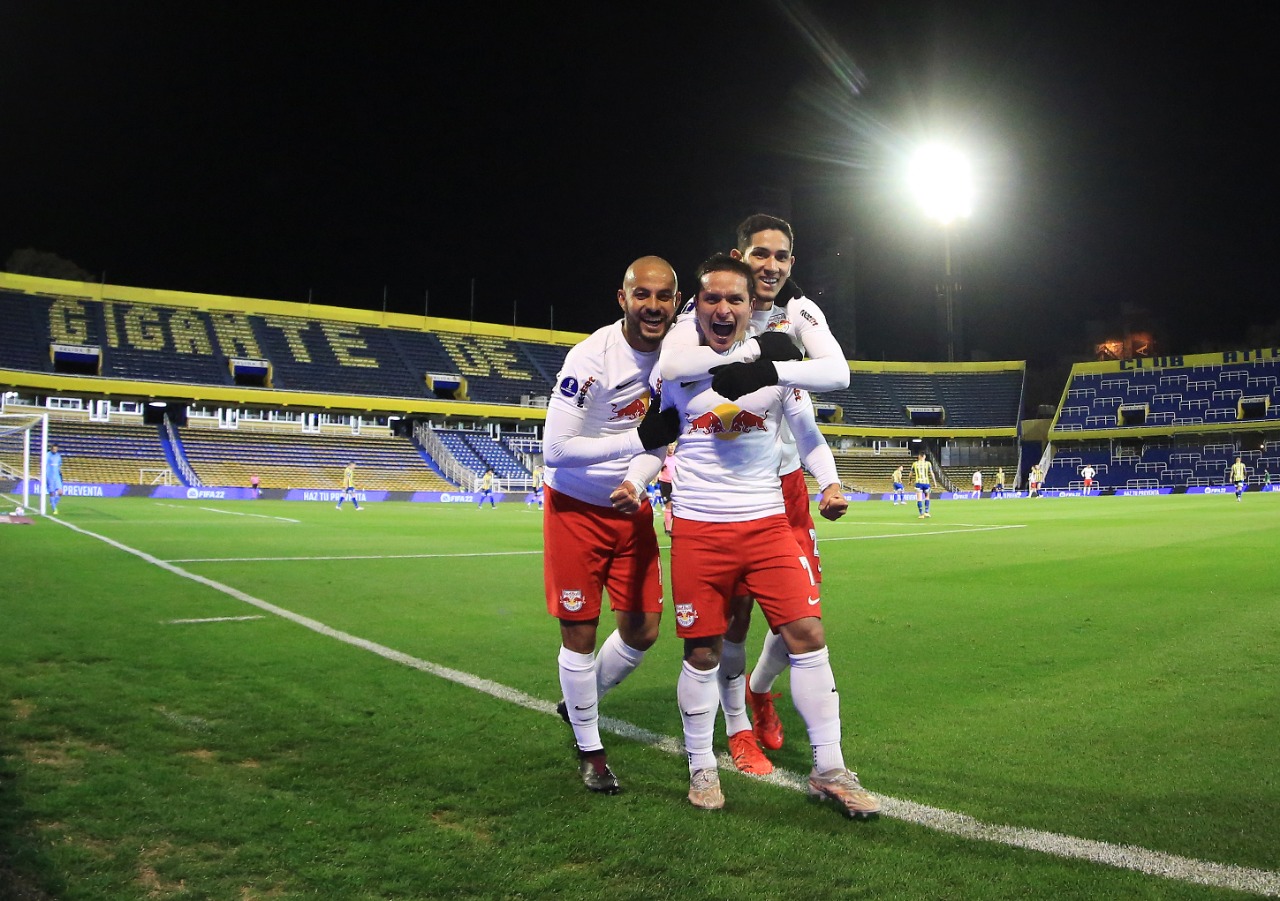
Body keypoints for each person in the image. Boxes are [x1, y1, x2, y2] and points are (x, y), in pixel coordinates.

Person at [659, 254, 877, 817]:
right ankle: (702, 767)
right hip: (701, 531)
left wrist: (829, 484)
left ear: (752, 306)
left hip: (766, 526)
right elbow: (655, 438)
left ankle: (829, 768)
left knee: (807, 634)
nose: (724, 308)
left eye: (736, 300)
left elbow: (810, 436)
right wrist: (644, 486)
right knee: (703, 649)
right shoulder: (678, 368)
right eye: (713, 299)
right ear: (697, 307)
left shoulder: (781, 372)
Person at [542, 255, 681, 794]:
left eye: (663, 296)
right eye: (641, 295)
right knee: (579, 632)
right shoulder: (590, 359)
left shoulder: (676, 358)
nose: (652, 306)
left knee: (643, 630)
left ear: (674, 301)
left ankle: (579, 703)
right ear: (622, 298)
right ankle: (590, 747)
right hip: (575, 508)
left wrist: (639, 477)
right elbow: (554, 449)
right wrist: (636, 445)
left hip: (630, 509)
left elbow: (666, 434)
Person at [657, 443, 677, 536]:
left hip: (675, 483)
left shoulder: (677, 457)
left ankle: (669, 522)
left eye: (673, 445)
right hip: (665, 483)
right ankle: (668, 529)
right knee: (669, 505)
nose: (672, 447)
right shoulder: (663, 458)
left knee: (676, 506)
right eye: (670, 445)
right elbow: (656, 468)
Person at [912, 451, 934, 518]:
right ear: (924, 456)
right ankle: (926, 512)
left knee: (919, 498)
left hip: (918, 483)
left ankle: (921, 514)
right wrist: (934, 482)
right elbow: (931, 473)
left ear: (919, 456)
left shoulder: (914, 464)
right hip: (926, 483)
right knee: (927, 497)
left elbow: (910, 474)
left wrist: (909, 481)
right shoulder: (928, 463)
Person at [45, 443, 64, 515]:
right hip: (49, 476)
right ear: (51, 449)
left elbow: (59, 466)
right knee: (52, 493)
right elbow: (44, 465)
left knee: (60, 492)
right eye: (54, 449)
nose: (55, 450)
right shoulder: (47, 455)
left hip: (57, 476)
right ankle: (54, 509)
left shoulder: (58, 456)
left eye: (56, 449)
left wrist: (61, 474)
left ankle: (53, 503)